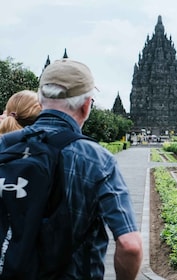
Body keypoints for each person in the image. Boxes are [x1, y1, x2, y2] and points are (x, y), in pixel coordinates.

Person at [0, 59, 143, 279]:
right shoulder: (96, 158)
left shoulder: (4, 146)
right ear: (87, 105)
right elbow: (130, 245)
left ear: (40, 99)